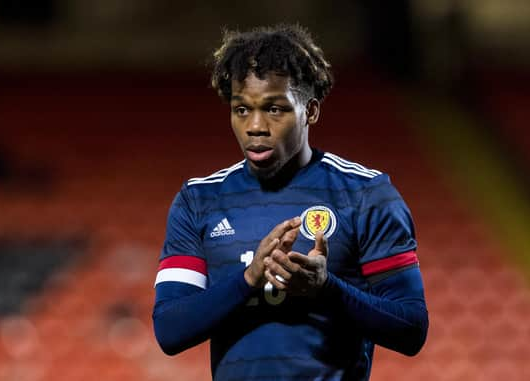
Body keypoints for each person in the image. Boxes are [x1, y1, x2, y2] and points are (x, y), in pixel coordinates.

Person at [153, 24, 428, 380]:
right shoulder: (199, 200)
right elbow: (170, 331)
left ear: (310, 111)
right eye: (241, 110)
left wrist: (327, 288)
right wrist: (249, 278)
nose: (255, 126)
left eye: (274, 109)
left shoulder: (366, 195)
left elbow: (411, 328)